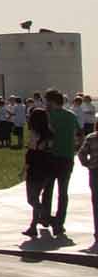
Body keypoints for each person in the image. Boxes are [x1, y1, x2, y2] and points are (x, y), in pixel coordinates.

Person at [42, 88, 79, 237]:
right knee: (63, 192)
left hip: (51, 156)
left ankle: (45, 217)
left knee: (47, 190)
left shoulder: (48, 116)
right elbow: (78, 133)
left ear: (51, 102)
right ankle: (59, 223)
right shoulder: (71, 116)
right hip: (67, 157)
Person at [22, 106, 52, 238]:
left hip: (35, 168)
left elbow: (31, 153)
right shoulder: (50, 133)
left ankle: (46, 216)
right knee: (37, 197)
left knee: (31, 199)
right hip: (47, 167)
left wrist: (24, 169)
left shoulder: (34, 134)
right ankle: (33, 226)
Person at [76, 125, 98, 246]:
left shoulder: (91, 137)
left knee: (96, 202)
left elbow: (81, 153)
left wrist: (87, 164)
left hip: (95, 172)